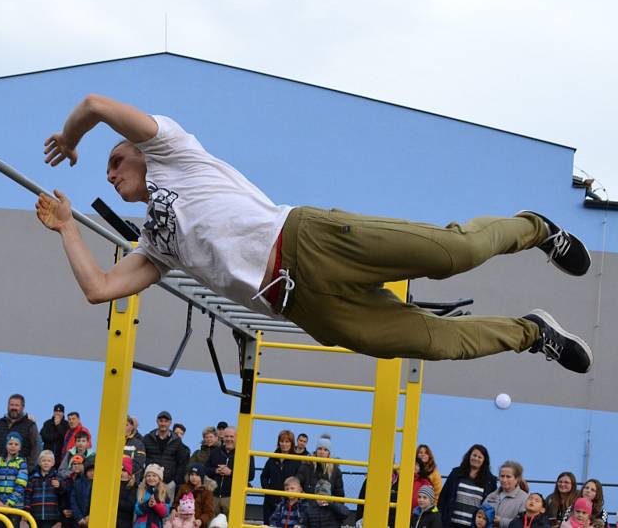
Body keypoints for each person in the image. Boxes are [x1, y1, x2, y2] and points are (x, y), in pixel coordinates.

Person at [37, 95, 593, 376]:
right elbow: (100, 288)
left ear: (140, 148)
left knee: (455, 253)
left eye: (115, 160)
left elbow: (95, 106)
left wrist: (70, 136)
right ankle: (530, 333)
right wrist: (66, 229)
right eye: (107, 172)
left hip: (308, 241)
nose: (110, 173)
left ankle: (535, 229)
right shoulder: (156, 246)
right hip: (300, 306)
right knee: (431, 343)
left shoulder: (175, 153)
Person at [438, 444, 497, 527]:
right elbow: (443, 498)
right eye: (474, 455)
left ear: (484, 460)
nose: (476, 458)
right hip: (451, 524)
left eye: (480, 457)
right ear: (469, 456)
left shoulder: (490, 481)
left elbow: (491, 507)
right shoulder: (456, 473)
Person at [206, 426, 255, 517]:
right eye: (226, 436)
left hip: (233, 497)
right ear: (222, 438)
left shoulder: (246, 454)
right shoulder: (215, 452)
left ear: (237, 438)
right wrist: (216, 470)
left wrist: (231, 473)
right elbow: (206, 470)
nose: (228, 439)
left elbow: (251, 475)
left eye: (231, 436)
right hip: (214, 497)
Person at [0, 394, 41, 472]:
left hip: (18, 473)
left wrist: (28, 469)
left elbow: (37, 448)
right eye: (11, 405)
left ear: (22, 407)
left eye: (17, 405)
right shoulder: (0, 422)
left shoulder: (30, 425)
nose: (14, 407)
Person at [144, 410, 189, 498]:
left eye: (166, 421)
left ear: (170, 423)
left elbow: (182, 463)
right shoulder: (147, 438)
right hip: (149, 482)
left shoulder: (177, 441)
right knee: (144, 508)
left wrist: (175, 482)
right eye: (161, 421)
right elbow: (142, 457)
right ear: (157, 422)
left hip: (168, 483)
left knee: (165, 510)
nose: (163, 424)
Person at [260, 429, 301, 524]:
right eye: (282, 441)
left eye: (287, 441)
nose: (284, 444)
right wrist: (268, 491)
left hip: (288, 503)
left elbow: (298, 481)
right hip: (270, 502)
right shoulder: (272, 458)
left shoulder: (297, 460)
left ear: (292, 443)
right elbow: (264, 476)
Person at [0, 432, 29, 520]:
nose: (13, 446)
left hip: (14, 508)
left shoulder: (22, 463)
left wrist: (9, 504)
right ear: (6, 446)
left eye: (16, 444)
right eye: (10, 444)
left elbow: (21, 485)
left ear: (20, 447)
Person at [24, 450, 63, 528]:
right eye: (43, 460)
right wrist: (26, 512)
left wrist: (60, 486)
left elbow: (62, 495)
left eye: (49, 461)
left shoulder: (57, 478)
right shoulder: (33, 478)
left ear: (53, 463)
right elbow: (27, 496)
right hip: (35, 515)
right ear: (39, 462)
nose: (46, 463)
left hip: (51, 516)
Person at [484, 460, 529, 528]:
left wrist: (501, 521)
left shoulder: (525, 499)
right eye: (502, 476)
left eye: (508, 477)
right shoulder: (491, 496)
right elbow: (480, 516)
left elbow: (523, 523)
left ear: (517, 479)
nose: (504, 480)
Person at [133, 463, 171, 528]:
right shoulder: (141, 491)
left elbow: (166, 513)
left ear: (159, 478)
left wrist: (156, 505)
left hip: (155, 525)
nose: (151, 478)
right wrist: (147, 504)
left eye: (154, 476)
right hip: (141, 525)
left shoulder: (163, 493)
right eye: (148, 475)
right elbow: (137, 510)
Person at [40, 403, 70, 468]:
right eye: (56, 411)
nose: (58, 413)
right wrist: (57, 436)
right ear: (53, 412)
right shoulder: (47, 423)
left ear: (63, 413)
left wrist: (58, 426)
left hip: (61, 457)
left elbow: (66, 437)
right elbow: (43, 437)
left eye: (60, 411)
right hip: (47, 457)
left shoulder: (66, 424)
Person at [117, 456, 138, 528]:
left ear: (129, 474)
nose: (121, 472)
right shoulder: (113, 485)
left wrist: (114, 501)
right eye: (119, 469)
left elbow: (130, 506)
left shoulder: (133, 487)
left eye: (124, 470)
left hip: (124, 523)